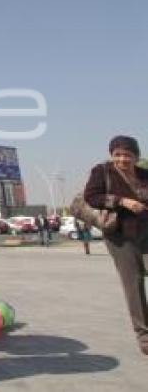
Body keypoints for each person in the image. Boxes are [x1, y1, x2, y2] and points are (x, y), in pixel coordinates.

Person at [84, 135, 148, 355]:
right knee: (134, 283)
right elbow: (91, 197)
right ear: (111, 155)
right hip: (120, 235)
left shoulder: (143, 174)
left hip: (145, 232)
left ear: (136, 156)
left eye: (128, 155)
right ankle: (144, 336)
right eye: (117, 154)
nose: (122, 159)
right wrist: (122, 201)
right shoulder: (102, 171)